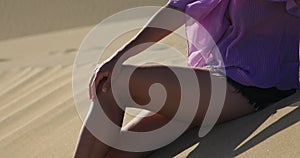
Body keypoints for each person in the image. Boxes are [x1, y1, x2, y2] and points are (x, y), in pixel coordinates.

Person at [74, 0, 300, 157]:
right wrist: (119, 56)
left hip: (252, 85)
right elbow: (175, 9)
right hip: (206, 81)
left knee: (116, 83)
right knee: (116, 151)